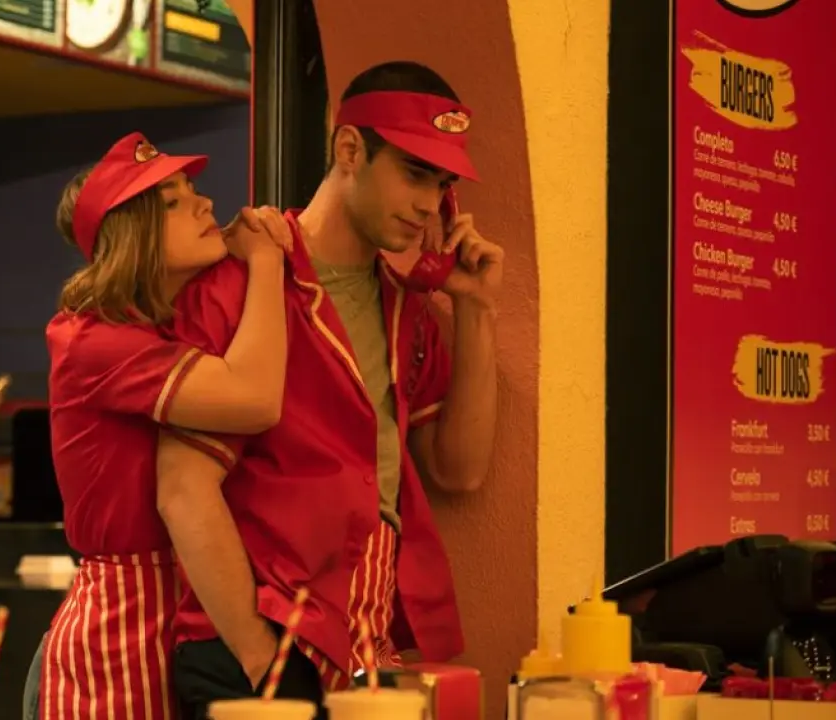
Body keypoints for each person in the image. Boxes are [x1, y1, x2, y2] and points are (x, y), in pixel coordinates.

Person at [159, 61, 501, 719]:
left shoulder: (409, 313)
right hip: (259, 644)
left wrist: (477, 308)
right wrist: (258, 656)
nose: (429, 204)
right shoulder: (240, 280)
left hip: (364, 646)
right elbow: (182, 486)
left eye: (442, 184)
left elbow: (460, 469)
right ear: (349, 150)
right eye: (414, 173)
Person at [37, 131, 294, 720]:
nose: (206, 204)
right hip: (121, 625)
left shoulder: (162, 324)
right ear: (132, 235)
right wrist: (265, 262)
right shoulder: (90, 339)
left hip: (190, 602)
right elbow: (255, 400)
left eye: (193, 190)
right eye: (174, 201)